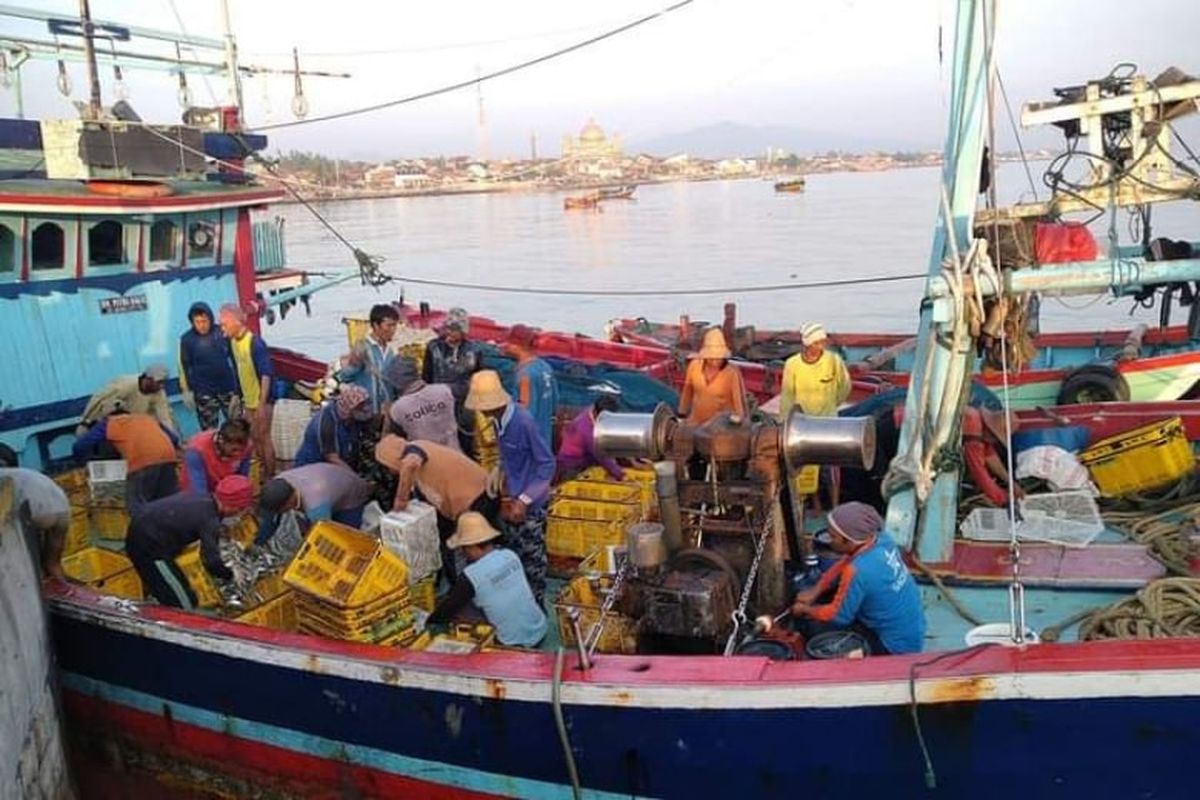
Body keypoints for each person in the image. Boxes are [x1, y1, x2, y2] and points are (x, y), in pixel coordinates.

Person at [465, 370, 554, 607]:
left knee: (532, 562)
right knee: (515, 557)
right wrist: (499, 469)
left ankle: (538, 608)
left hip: (530, 504)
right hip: (510, 498)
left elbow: (547, 464)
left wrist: (525, 499)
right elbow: (508, 454)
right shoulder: (497, 421)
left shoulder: (523, 422)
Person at [790, 501, 924, 655]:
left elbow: (838, 616)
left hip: (894, 646)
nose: (829, 539)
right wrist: (816, 590)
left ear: (849, 540)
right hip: (911, 629)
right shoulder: (882, 539)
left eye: (833, 537)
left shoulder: (858, 571)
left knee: (812, 627)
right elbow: (845, 560)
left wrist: (805, 609)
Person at [375, 434, 498, 582]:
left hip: (475, 498)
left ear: (392, 458)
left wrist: (401, 499)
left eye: (388, 466)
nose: (390, 471)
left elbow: (410, 465)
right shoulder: (419, 457)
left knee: (477, 549)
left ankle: (479, 584)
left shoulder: (414, 450)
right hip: (473, 499)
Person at [124, 475, 255, 609]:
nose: (239, 514)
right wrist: (230, 575)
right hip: (148, 548)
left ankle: (157, 593)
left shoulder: (203, 498)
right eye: (240, 510)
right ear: (234, 507)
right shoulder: (209, 520)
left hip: (146, 528)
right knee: (184, 602)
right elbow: (211, 562)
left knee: (168, 588)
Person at [427, 512, 548, 647]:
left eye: (463, 548)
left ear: (471, 546)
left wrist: (428, 619)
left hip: (511, 643)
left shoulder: (471, 575)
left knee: (462, 611)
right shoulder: (510, 555)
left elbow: (444, 613)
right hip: (540, 629)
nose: (463, 552)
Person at [72, 409, 180, 515]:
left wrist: (82, 463)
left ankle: (146, 531)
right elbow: (174, 439)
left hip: (141, 462)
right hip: (168, 457)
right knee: (170, 504)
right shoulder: (147, 418)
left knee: (137, 507)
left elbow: (79, 446)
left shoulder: (109, 422)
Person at [219, 303, 276, 478]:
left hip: (262, 400)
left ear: (236, 322)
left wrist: (261, 405)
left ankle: (270, 476)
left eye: (224, 324)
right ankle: (260, 472)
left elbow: (266, 375)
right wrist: (237, 395)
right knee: (254, 438)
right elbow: (237, 369)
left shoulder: (255, 343)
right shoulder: (232, 343)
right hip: (247, 399)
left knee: (264, 438)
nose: (222, 328)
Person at [256, 462, 373, 544]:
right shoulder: (279, 481)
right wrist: (258, 542)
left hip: (351, 496)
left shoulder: (316, 506)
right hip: (328, 479)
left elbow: (324, 538)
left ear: (289, 503)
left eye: (279, 510)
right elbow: (271, 519)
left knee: (345, 540)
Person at [422, 307, 482, 453]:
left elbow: (478, 379)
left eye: (455, 329)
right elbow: (426, 377)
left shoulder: (474, 351)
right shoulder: (433, 347)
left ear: (463, 331)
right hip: (438, 404)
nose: (450, 332)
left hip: (464, 407)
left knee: (465, 445)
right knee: (439, 446)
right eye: (448, 328)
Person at [0, 468, 71, 580]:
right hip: (63, 508)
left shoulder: (5, 479)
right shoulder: (18, 472)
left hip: (38, 511)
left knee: (27, 564)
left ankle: (37, 582)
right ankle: (62, 585)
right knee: (53, 564)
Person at [179, 301, 239, 430]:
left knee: (237, 425)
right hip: (204, 392)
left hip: (227, 387)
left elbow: (235, 359)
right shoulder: (187, 339)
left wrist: (238, 389)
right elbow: (184, 366)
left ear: (210, 319)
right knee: (208, 431)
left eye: (204, 321)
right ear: (192, 322)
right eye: (198, 322)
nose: (202, 325)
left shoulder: (222, 332)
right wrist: (186, 390)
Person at [384, 356, 461, 451]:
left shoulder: (397, 409)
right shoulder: (444, 390)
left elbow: (395, 440)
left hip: (423, 459)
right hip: (455, 454)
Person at [502, 324, 559, 449]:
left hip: (528, 444)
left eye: (507, 342)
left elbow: (524, 413)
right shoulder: (545, 367)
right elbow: (555, 402)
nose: (503, 345)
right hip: (544, 440)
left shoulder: (525, 376)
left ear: (517, 345)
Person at [77, 364, 175, 436]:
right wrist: (86, 421)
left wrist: (173, 437)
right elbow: (99, 399)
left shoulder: (158, 392)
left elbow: (165, 417)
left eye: (163, 383)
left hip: (132, 426)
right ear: (148, 379)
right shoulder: (126, 385)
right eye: (159, 382)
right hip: (104, 422)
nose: (162, 386)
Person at [778, 322, 851, 419]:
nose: (821, 346)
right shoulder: (792, 364)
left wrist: (832, 405)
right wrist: (783, 419)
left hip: (829, 418)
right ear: (807, 344)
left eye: (823, 342)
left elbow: (845, 386)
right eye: (816, 343)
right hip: (803, 419)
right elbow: (787, 396)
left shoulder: (834, 360)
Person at [338, 303, 400, 416]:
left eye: (395, 325)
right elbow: (345, 376)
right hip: (367, 413)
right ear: (376, 325)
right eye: (389, 325)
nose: (393, 330)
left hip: (387, 412)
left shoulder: (392, 351)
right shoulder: (362, 348)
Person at [677, 328, 747, 425]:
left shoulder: (732, 374)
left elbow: (739, 404)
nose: (715, 361)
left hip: (721, 428)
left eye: (718, 358)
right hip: (696, 423)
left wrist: (739, 421)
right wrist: (681, 414)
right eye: (711, 358)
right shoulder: (694, 366)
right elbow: (687, 393)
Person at [293, 386, 373, 470]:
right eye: (361, 408)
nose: (366, 409)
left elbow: (372, 421)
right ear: (350, 408)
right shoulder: (327, 424)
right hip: (312, 469)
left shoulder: (354, 418)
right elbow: (332, 458)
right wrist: (356, 480)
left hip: (338, 464)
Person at [556, 395, 625, 481]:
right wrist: (620, 474)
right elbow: (602, 456)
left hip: (585, 460)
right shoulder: (587, 430)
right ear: (599, 414)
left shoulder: (592, 410)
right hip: (571, 467)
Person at [181, 418, 253, 493]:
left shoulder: (247, 446)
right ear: (221, 441)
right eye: (234, 450)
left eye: (242, 450)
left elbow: (241, 480)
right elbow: (199, 492)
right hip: (197, 491)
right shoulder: (196, 451)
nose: (238, 454)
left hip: (225, 490)